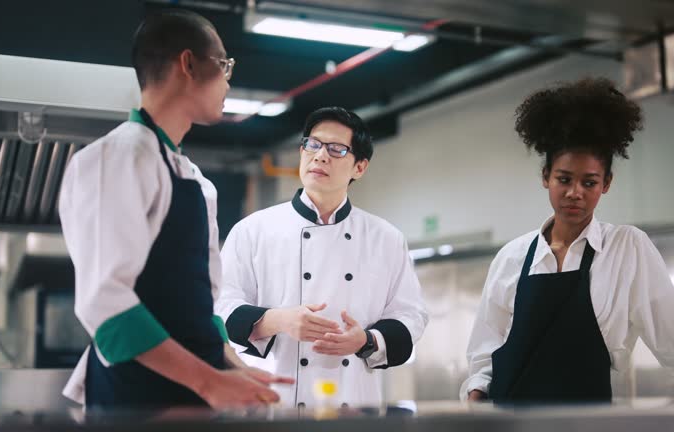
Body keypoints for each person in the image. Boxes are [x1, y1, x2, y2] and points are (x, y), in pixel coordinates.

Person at [59, 10, 291, 411]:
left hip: (194, 394)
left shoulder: (196, 180)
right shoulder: (116, 158)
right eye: (224, 65)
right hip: (137, 396)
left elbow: (204, 301)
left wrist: (230, 364)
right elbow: (104, 304)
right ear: (187, 64)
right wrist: (207, 381)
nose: (228, 80)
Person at [462, 77, 674, 404]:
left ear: (606, 184)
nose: (575, 192)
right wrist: (476, 392)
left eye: (589, 182)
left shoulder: (627, 248)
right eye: (564, 179)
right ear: (545, 177)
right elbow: (484, 354)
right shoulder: (512, 257)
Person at [216, 107, 429, 408]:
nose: (320, 156)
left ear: (360, 167)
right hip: (276, 403)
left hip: (353, 403)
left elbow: (411, 316)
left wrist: (366, 341)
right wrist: (277, 319)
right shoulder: (253, 230)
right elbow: (220, 308)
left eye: (337, 149)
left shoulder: (386, 238)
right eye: (312, 144)